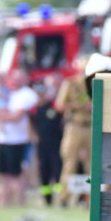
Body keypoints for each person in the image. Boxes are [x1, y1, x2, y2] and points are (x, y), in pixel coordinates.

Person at [0, 69, 37, 207]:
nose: (16, 81)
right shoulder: (10, 94)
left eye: (20, 78)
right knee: (4, 173)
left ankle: (20, 201)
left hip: (18, 139)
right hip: (4, 138)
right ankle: (4, 201)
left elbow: (17, 116)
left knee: (17, 173)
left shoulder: (27, 94)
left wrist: (2, 117)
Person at [55, 58, 93, 207]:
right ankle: (64, 198)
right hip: (75, 126)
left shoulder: (94, 83)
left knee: (92, 165)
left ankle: (91, 199)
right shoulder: (71, 84)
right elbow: (60, 105)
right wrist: (80, 105)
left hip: (91, 125)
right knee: (69, 162)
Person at [31, 76, 63, 205]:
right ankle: (47, 198)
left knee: (57, 170)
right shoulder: (35, 109)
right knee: (44, 171)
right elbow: (30, 123)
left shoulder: (54, 106)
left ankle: (60, 198)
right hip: (42, 144)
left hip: (56, 143)